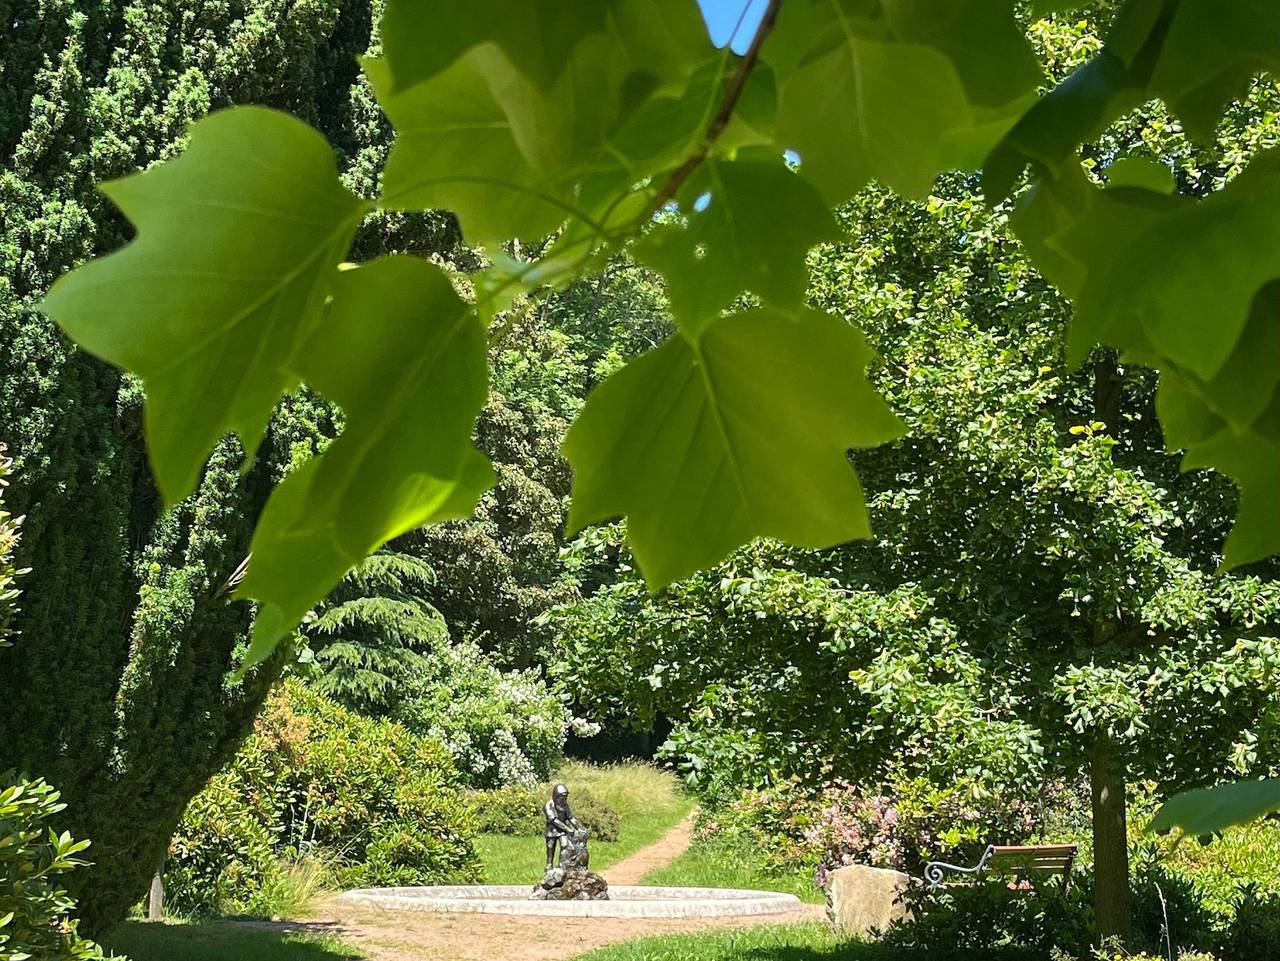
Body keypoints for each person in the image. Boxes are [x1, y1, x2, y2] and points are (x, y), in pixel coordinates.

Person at [544, 783, 584, 872]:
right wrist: (567, 829)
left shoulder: (565, 805)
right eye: (562, 797)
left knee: (564, 845)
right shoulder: (549, 805)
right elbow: (553, 820)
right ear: (556, 796)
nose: (564, 799)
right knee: (550, 848)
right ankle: (549, 865)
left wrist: (579, 828)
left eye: (565, 797)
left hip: (562, 831)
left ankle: (563, 865)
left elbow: (571, 817)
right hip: (551, 831)